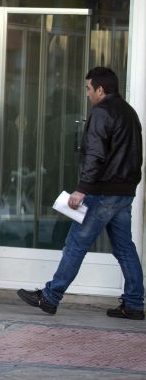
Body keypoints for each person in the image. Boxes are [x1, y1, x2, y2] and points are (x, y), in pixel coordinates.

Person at [19, 67, 144, 319]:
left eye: (88, 88)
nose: (87, 94)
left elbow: (96, 154)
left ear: (100, 89)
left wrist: (82, 189)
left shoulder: (101, 112)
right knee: (124, 248)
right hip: (124, 192)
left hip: (102, 191)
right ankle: (134, 303)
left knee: (76, 244)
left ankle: (51, 296)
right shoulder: (129, 112)